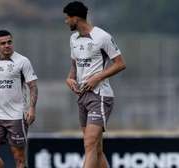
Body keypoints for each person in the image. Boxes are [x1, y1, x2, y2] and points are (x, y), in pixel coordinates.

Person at [63, 1, 126, 168]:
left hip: (100, 96)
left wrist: (97, 77)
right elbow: (74, 67)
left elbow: (120, 64)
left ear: (75, 18)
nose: (66, 21)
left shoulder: (102, 37)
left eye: (67, 18)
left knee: (89, 144)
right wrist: (69, 79)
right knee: (96, 149)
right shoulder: (73, 39)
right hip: (82, 97)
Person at [0, 30, 38, 168]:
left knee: (19, 158)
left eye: (9, 42)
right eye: (3, 43)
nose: (7, 45)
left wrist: (32, 108)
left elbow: (33, 86)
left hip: (16, 116)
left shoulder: (22, 61)